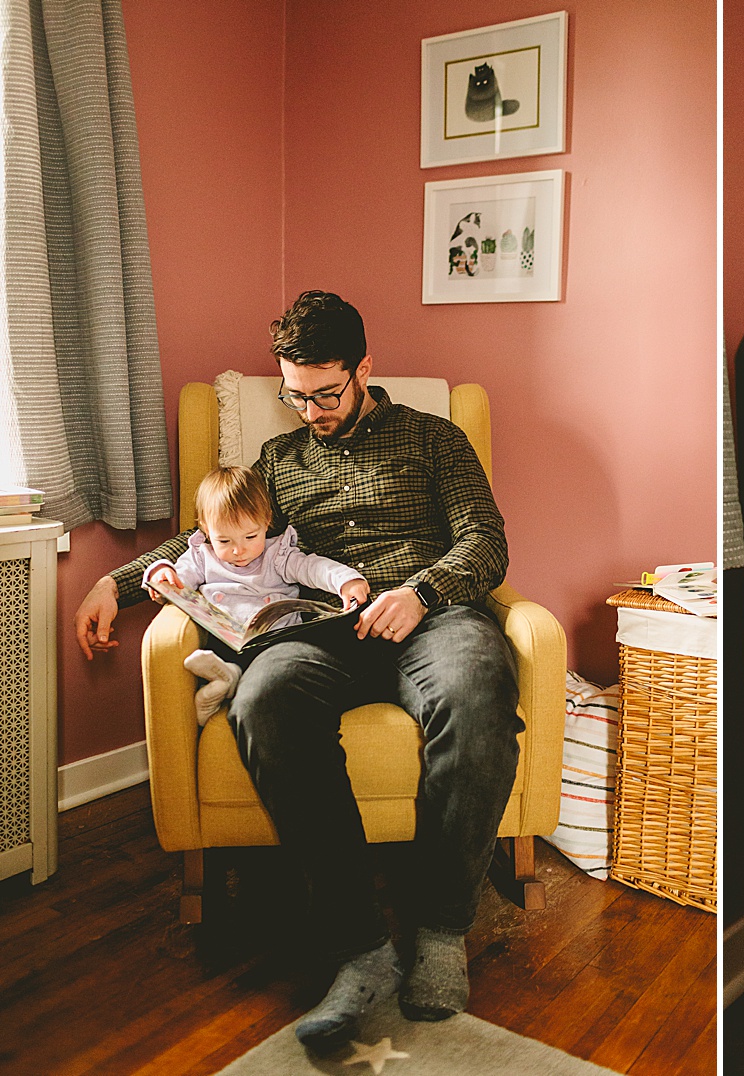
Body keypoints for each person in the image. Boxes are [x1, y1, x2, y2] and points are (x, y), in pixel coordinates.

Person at [74, 291, 522, 1052]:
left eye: (325, 392)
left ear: (363, 370)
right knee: (265, 697)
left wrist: (421, 593)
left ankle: (442, 929)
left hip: (433, 615)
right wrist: (111, 585)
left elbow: (486, 542)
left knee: (478, 690)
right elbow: (206, 540)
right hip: (323, 624)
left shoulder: (435, 439)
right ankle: (361, 947)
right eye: (294, 394)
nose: (310, 409)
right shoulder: (279, 460)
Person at [142, 465, 371, 725]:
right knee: (217, 642)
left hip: (276, 643)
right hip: (227, 639)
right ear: (206, 529)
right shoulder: (201, 556)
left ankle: (227, 679)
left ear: (266, 521)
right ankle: (225, 676)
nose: (239, 550)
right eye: (224, 541)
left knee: (273, 660)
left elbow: (313, 567)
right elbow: (177, 579)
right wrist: (161, 573)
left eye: (250, 536)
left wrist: (346, 581)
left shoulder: (278, 555)